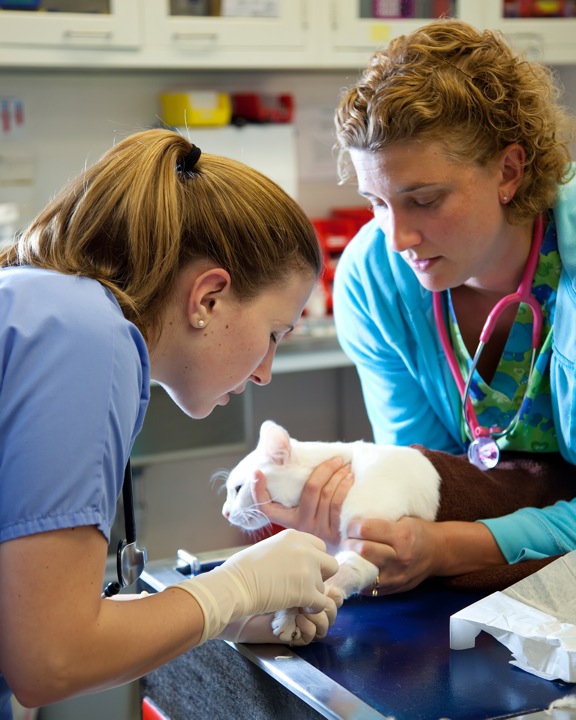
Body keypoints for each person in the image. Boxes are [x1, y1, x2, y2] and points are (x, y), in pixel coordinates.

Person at [0, 128, 348, 717]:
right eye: (272, 335)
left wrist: (223, 616)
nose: (265, 372)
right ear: (208, 298)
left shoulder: (49, 309)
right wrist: (233, 588)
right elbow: (48, 659)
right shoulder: (85, 334)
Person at [252, 19, 576, 596]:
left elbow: (445, 532)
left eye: (424, 200)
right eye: (376, 202)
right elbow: (432, 480)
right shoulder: (373, 280)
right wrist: (375, 525)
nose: (397, 238)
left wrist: (447, 548)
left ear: (509, 170)